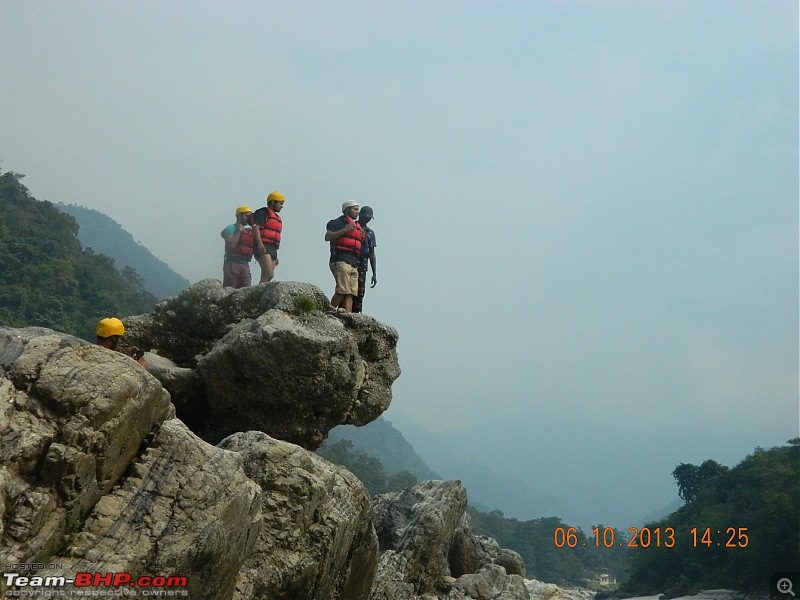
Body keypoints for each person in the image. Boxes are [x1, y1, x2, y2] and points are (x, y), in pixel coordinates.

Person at [325, 200, 364, 313]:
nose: (358, 212)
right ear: (347, 210)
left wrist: (362, 236)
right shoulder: (338, 222)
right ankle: (327, 311)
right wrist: (345, 230)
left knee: (351, 293)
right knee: (343, 290)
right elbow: (328, 236)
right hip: (340, 260)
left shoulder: (357, 227)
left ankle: (348, 316)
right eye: (355, 209)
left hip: (353, 262)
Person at [220, 205, 255, 289]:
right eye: (246, 216)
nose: (248, 218)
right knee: (230, 291)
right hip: (232, 264)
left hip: (245, 265)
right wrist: (239, 231)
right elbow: (231, 245)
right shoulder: (231, 228)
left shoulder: (249, 231)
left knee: (246, 292)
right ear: (239, 216)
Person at [254, 191, 285, 284]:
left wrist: (276, 254)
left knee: (269, 275)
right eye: (281, 203)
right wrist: (259, 244)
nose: (282, 206)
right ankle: (257, 294)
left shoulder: (277, 217)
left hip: (272, 248)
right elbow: (256, 228)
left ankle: (259, 294)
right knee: (268, 273)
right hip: (263, 245)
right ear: (273, 202)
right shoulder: (263, 213)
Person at [353, 205, 377, 313]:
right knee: (349, 289)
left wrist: (374, 273)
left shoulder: (370, 233)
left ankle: (357, 313)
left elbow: (372, 253)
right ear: (360, 215)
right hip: (351, 262)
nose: (367, 219)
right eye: (366, 216)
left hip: (363, 264)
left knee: (360, 291)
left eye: (369, 217)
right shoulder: (352, 227)